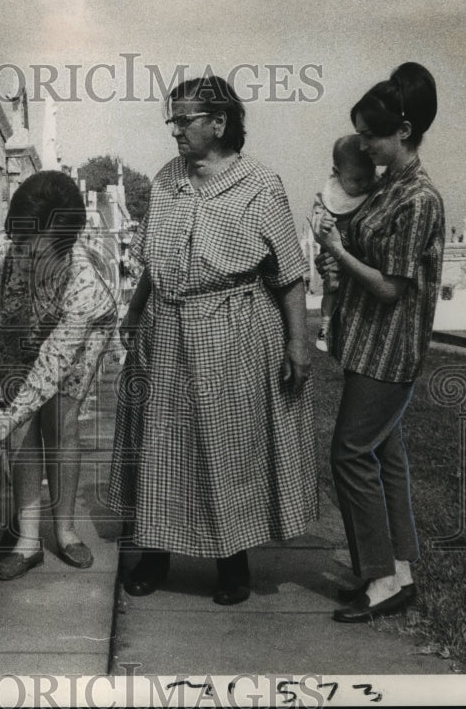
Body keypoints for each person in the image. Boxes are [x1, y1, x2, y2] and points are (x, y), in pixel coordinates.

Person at [107, 75, 316, 606]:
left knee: (228, 444)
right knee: (160, 445)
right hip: (166, 326)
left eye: (184, 120)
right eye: (172, 120)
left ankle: (232, 563)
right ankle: (153, 556)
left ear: (218, 124)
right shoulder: (166, 179)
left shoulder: (260, 184)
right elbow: (154, 260)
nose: (174, 130)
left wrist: (299, 344)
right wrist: (134, 313)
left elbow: (289, 274)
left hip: (234, 330)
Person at [312, 61, 444, 623]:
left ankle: (380, 577)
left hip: (390, 348)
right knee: (383, 454)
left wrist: (340, 253)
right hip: (368, 344)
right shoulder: (390, 187)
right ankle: (399, 571)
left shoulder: (418, 199)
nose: (362, 145)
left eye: (370, 134)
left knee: (349, 454)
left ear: (404, 132)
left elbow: (391, 287)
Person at [0, 171, 117, 581]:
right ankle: (28, 541)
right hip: (16, 333)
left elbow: (53, 363)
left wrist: (6, 416)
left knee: (61, 423)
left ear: (64, 245)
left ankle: (65, 530)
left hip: (79, 338)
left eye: (36, 248)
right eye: (19, 241)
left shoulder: (83, 282)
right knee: (22, 431)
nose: (24, 254)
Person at [312, 136, 377, 351]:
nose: (364, 185)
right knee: (331, 288)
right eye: (357, 180)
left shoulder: (374, 191)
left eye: (368, 178)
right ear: (337, 172)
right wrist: (323, 224)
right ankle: (324, 326)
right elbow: (316, 230)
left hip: (359, 257)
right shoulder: (326, 197)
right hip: (333, 254)